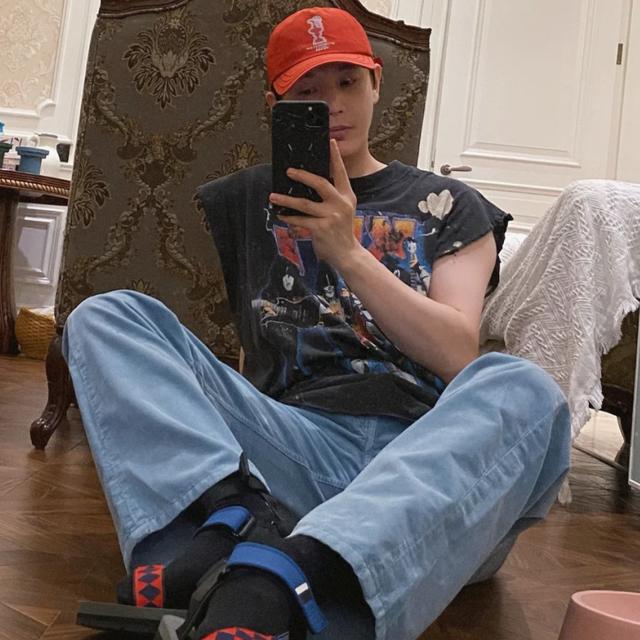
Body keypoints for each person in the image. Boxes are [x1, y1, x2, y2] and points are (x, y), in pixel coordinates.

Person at [63, 7, 571, 640]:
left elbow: (456, 353)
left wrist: (347, 251)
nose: (333, 104)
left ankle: (284, 581)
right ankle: (229, 531)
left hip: (429, 474)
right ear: (275, 105)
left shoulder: (449, 205)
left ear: (377, 82)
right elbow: (255, 347)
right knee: (107, 315)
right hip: (291, 453)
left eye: (348, 82)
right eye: (307, 91)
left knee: (525, 387)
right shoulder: (245, 200)